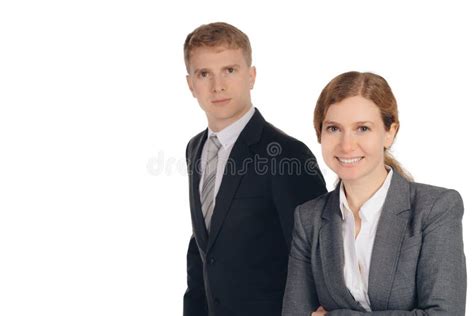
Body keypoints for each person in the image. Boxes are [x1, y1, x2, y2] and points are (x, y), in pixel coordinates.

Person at [282, 71, 466, 315]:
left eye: (362, 129)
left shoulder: (435, 209)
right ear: (320, 134)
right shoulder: (309, 219)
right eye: (334, 128)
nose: (347, 145)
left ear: (390, 132)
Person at [182, 22, 327, 316]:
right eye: (204, 73)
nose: (217, 85)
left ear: (251, 76)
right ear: (190, 84)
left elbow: (316, 259)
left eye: (230, 70)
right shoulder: (195, 149)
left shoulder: (288, 154)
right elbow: (204, 250)